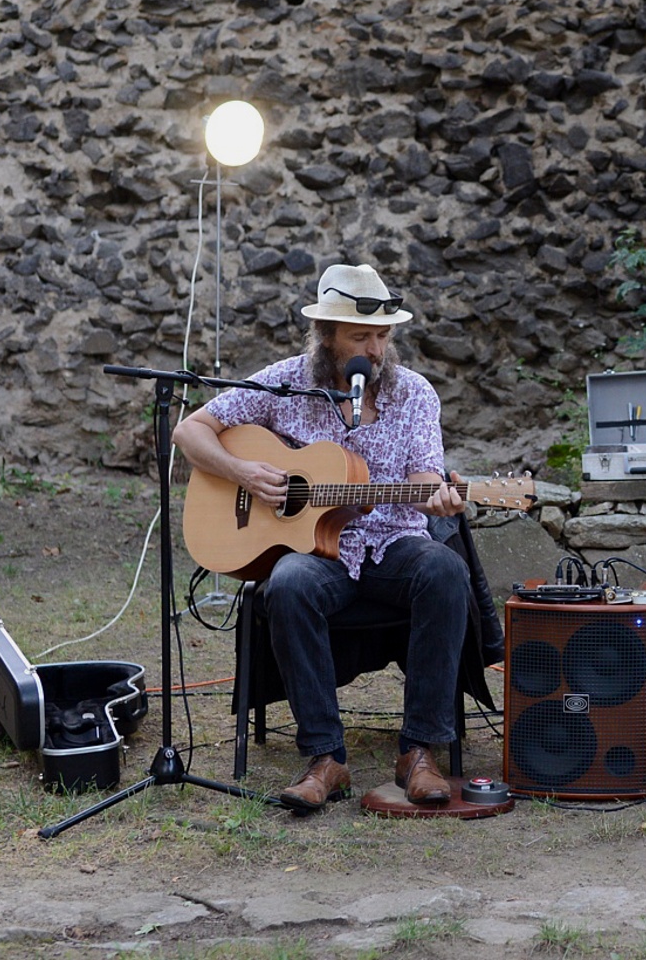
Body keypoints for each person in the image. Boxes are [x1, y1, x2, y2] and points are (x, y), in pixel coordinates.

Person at [174, 262, 478, 811]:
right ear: (326, 335)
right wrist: (244, 473)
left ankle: (418, 752)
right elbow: (189, 430)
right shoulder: (284, 383)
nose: (375, 349)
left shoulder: (414, 393)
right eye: (360, 337)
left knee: (444, 569)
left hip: (393, 543)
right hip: (316, 552)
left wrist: (439, 494)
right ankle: (325, 758)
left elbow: (424, 476)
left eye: (382, 336)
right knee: (288, 583)